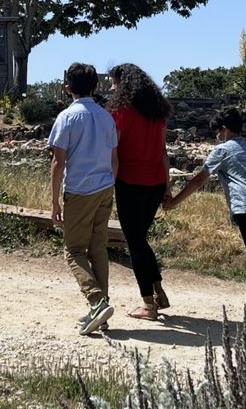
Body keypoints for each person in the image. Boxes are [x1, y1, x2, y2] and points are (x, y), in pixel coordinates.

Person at [165, 106, 246, 333]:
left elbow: (199, 179)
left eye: (216, 132)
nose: (216, 137)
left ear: (223, 130)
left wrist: (173, 202)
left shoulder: (222, 150)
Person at [49, 62, 118, 335]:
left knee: (74, 250)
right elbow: (114, 158)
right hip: (105, 187)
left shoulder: (67, 117)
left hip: (79, 189)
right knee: (98, 247)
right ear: (96, 86)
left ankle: (96, 300)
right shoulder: (106, 117)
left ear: (68, 89)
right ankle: (101, 309)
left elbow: (57, 161)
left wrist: (55, 201)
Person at [107, 63, 172, 321]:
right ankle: (158, 291)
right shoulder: (158, 112)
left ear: (122, 85)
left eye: (114, 83)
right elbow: (163, 152)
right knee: (140, 240)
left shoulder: (120, 112)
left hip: (129, 182)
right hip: (155, 182)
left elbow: (114, 149)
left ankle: (149, 303)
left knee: (135, 243)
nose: (111, 89)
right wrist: (167, 185)